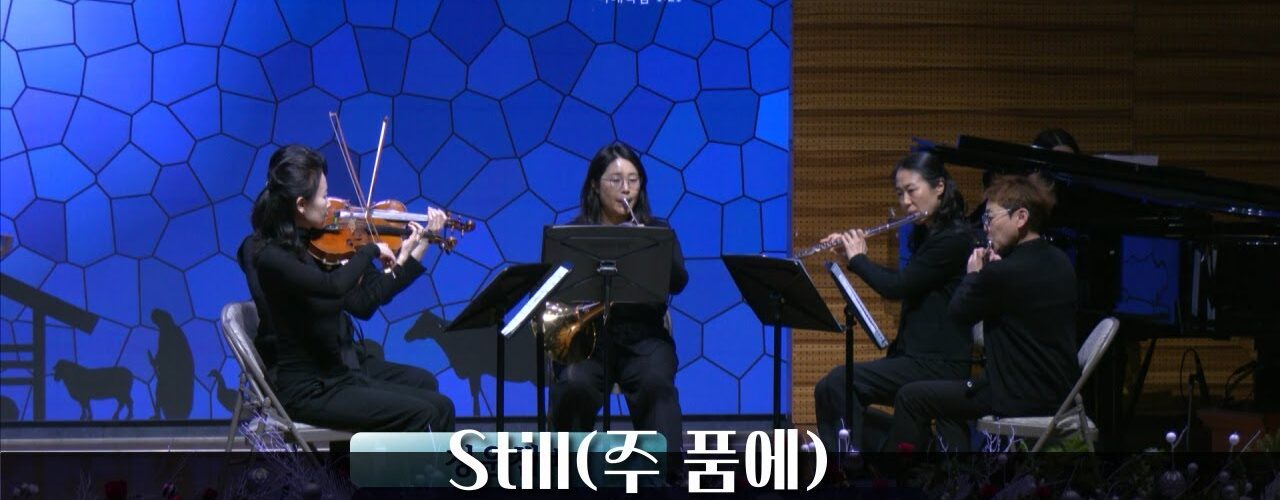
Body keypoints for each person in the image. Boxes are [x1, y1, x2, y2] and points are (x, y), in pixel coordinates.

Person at [244, 144, 455, 432]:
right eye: (323, 196)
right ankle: (397, 463)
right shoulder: (273, 256)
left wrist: (408, 255)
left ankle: (431, 463)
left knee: (442, 406)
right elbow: (333, 287)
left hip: (336, 375)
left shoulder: (318, 249)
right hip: (309, 387)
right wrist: (369, 250)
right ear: (300, 205)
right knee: (425, 413)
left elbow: (361, 300)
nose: (331, 206)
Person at [889, 174, 1079, 449]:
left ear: (1021, 217)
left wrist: (974, 275)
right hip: (1059, 393)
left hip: (1017, 395)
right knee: (949, 392)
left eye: (990, 218)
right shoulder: (1059, 260)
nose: (985, 227)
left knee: (910, 396)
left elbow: (958, 314)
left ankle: (910, 474)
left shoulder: (1004, 272)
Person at [812, 152, 978, 452]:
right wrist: (851, 258)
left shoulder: (954, 239)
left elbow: (896, 287)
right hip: (917, 357)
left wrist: (859, 259)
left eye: (911, 190)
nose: (905, 202)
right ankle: (897, 450)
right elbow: (905, 282)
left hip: (939, 363)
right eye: (900, 194)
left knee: (839, 382)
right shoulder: (930, 235)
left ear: (939, 187)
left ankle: (853, 465)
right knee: (829, 388)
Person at [549, 142, 689, 463]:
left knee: (656, 383)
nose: (626, 188)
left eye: (633, 180)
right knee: (573, 385)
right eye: (615, 180)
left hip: (643, 337)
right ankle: (568, 473)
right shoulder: (571, 233)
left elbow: (679, 282)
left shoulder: (657, 230)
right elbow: (550, 292)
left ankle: (664, 474)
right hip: (586, 338)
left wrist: (652, 248)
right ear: (595, 185)